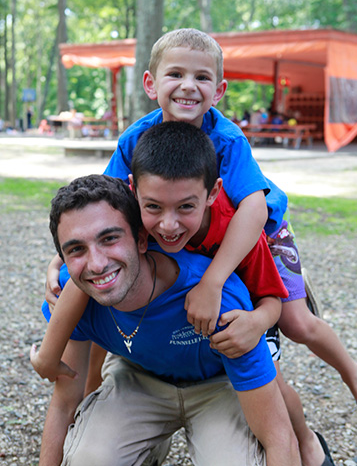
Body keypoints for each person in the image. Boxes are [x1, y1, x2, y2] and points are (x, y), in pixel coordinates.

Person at [46, 28, 357, 421]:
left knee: (296, 321)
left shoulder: (227, 139)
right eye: (175, 74)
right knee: (109, 302)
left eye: (201, 78)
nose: (188, 86)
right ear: (150, 83)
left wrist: (213, 282)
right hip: (184, 227)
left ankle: (355, 378)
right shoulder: (137, 139)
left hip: (258, 234)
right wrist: (64, 259)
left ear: (219, 90)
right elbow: (103, 204)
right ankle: (91, 404)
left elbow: (253, 210)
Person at [32, 174, 301, 466]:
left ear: (141, 240)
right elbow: (64, 402)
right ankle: (147, 448)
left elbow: (278, 436)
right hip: (138, 376)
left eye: (109, 239)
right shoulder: (72, 298)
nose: (96, 264)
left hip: (219, 385)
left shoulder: (217, 301)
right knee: (89, 460)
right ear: (62, 258)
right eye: (76, 249)